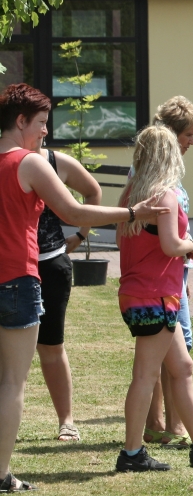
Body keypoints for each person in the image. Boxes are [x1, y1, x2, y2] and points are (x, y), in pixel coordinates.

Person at [0, 83, 167, 493]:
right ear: (20, 121)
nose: (45, 131)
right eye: (41, 123)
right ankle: (1, 475)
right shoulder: (29, 163)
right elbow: (73, 211)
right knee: (12, 383)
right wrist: (133, 212)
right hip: (18, 280)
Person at [115, 125, 193, 472]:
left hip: (139, 293)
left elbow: (125, 240)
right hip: (155, 295)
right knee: (145, 375)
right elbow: (172, 245)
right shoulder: (165, 196)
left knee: (182, 367)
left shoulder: (131, 196)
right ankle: (131, 454)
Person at [142, 96, 193, 448]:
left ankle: (161, 424)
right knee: (172, 350)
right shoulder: (159, 178)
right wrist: (190, 247)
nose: (192, 142)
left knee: (161, 351)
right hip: (162, 277)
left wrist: (184, 272)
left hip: (173, 274)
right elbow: (166, 239)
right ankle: (171, 426)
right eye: (188, 134)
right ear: (172, 133)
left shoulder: (160, 172)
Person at [34, 139, 102, 443]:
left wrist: (81, 235)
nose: (44, 130)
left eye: (45, 122)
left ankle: (67, 421)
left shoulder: (55, 161)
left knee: (51, 345)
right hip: (11, 266)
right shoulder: (7, 160)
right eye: (39, 121)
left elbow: (92, 191)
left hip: (50, 263)